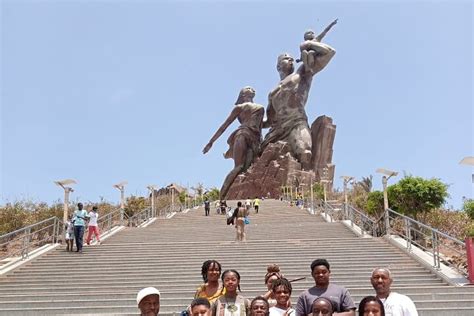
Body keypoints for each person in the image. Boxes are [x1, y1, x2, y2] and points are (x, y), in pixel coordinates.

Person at [261, 31, 336, 171]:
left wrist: (307, 44)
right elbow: (269, 120)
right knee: (260, 160)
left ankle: (304, 190)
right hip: (277, 131)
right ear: (278, 66)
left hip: (296, 123)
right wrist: (252, 123)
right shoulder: (272, 93)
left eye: (291, 59)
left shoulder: (303, 73)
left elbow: (329, 52)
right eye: (286, 58)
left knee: (305, 152)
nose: (290, 60)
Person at [203, 86, 265, 200]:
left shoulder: (261, 108)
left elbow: (260, 126)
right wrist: (211, 142)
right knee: (239, 167)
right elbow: (224, 125)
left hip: (255, 139)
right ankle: (222, 196)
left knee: (251, 167)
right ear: (242, 95)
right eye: (248, 88)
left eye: (251, 88)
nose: (251, 89)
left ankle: (246, 194)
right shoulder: (239, 107)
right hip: (242, 135)